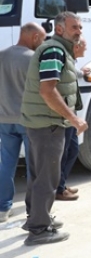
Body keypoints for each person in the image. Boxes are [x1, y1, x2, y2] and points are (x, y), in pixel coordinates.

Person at [20, 11, 88, 245]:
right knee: (47, 179)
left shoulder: (58, 50)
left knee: (39, 176)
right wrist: (74, 119)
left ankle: (36, 218)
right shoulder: (55, 51)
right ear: (59, 29)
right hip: (48, 123)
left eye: (80, 27)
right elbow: (48, 90)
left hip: (40, 122)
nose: (78, 31)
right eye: (74, 27)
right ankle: (39, 230)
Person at [0, 23, 47, 223]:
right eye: (43, 39)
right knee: (34, 166)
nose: (43, 43)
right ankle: (34, 210)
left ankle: (3, 209)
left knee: (6, 164)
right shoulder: (32, 59)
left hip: (4, 119)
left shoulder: (1, 55)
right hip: (29, 120)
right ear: (35, 37)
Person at [56, 37, 91, 201]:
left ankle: (61, 185)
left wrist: (82, 72)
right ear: (77, 47)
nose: (85, 49)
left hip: (70, 113)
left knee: (72, 150)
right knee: (64, 153)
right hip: (65, 114)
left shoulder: (70, 59)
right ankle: (58, 189)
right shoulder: (66, 58)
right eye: (84, 46)